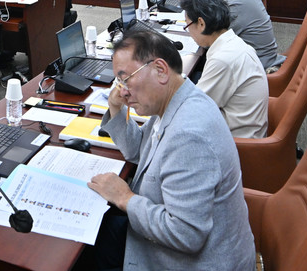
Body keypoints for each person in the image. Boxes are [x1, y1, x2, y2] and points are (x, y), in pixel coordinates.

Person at [86, 30, 256, 270]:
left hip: (194, 261)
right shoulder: (179, 98)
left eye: (126, 79)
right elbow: (140, 151)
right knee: (95, 233)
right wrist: (115, 107)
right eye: (119, 82)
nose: (123, 91)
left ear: (161, 70)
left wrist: (125, 198)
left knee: (83, 252)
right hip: (180, 239)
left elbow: (186, 235)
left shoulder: (188, 135)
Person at [181, 0, 268, 138]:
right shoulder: (233, 43)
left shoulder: (223, 60)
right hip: (236, 122)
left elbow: (194, 109)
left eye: (187, 25)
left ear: (201, 24)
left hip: (237, 141)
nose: (188, 31)